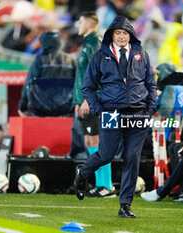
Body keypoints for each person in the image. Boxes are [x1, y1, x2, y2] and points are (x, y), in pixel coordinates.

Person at [73, 15, 157, 218]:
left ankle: (125, 205)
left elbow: (151, 84)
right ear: (111, 35)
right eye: (117, 33)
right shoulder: (99, 56)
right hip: (111, 112)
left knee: (132, 158)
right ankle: (83, 173)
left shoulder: (141, 54)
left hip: (139, 113)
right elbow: (88, 87)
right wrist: (99, 109)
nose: (121, 37)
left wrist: (149, 108)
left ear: (131, 35)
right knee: (106, 154)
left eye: (125, 33)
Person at [72, 12, 115, 197]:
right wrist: (77, 100)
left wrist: (89, 99)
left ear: (90, 24)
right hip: (83, 100)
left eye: (80, 20)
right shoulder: (88, 44)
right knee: (90, 141)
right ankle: (99, 183)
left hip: (92, 101)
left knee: (98, 142)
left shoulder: (96, 43)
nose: (77, 24)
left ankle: (107, 185)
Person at [18, 30, 76, 117]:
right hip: (66, 110)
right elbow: (78, 84)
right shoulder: (70, 60)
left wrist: (22, 106)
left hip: (41, 110)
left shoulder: (40, 60)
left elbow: (29, 83)